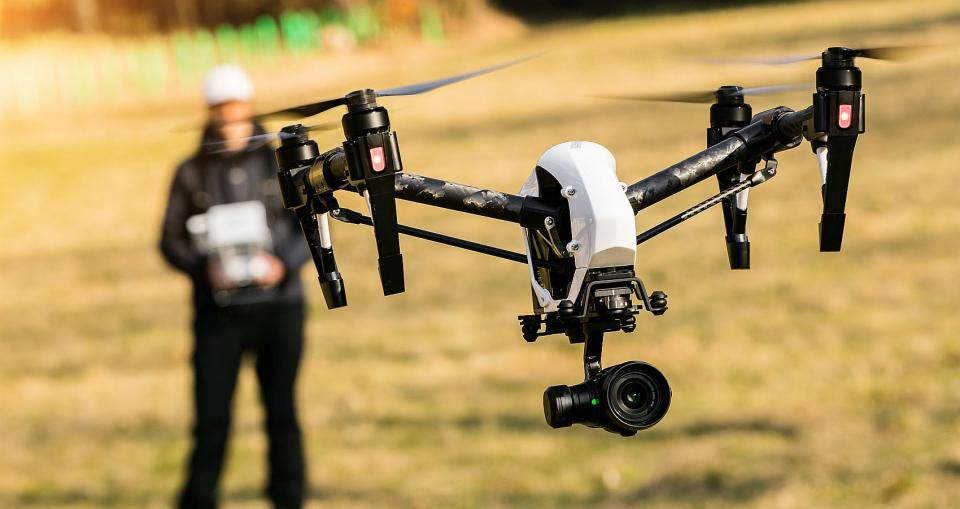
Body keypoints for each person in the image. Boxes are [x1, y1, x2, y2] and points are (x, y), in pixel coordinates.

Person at [160, 63, 311, 509]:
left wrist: (281, 265)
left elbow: (310, 226)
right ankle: (199, 499)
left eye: (235, 105)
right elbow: (169, 240)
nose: (228, 115)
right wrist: (204, 270)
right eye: (219, 107)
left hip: (279, 308)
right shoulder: (190, 172)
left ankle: (289, 498)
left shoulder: (280, 161)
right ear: (209, 111)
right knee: (211, 421)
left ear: (249, 106)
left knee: (281, 412)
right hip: (219, 315)